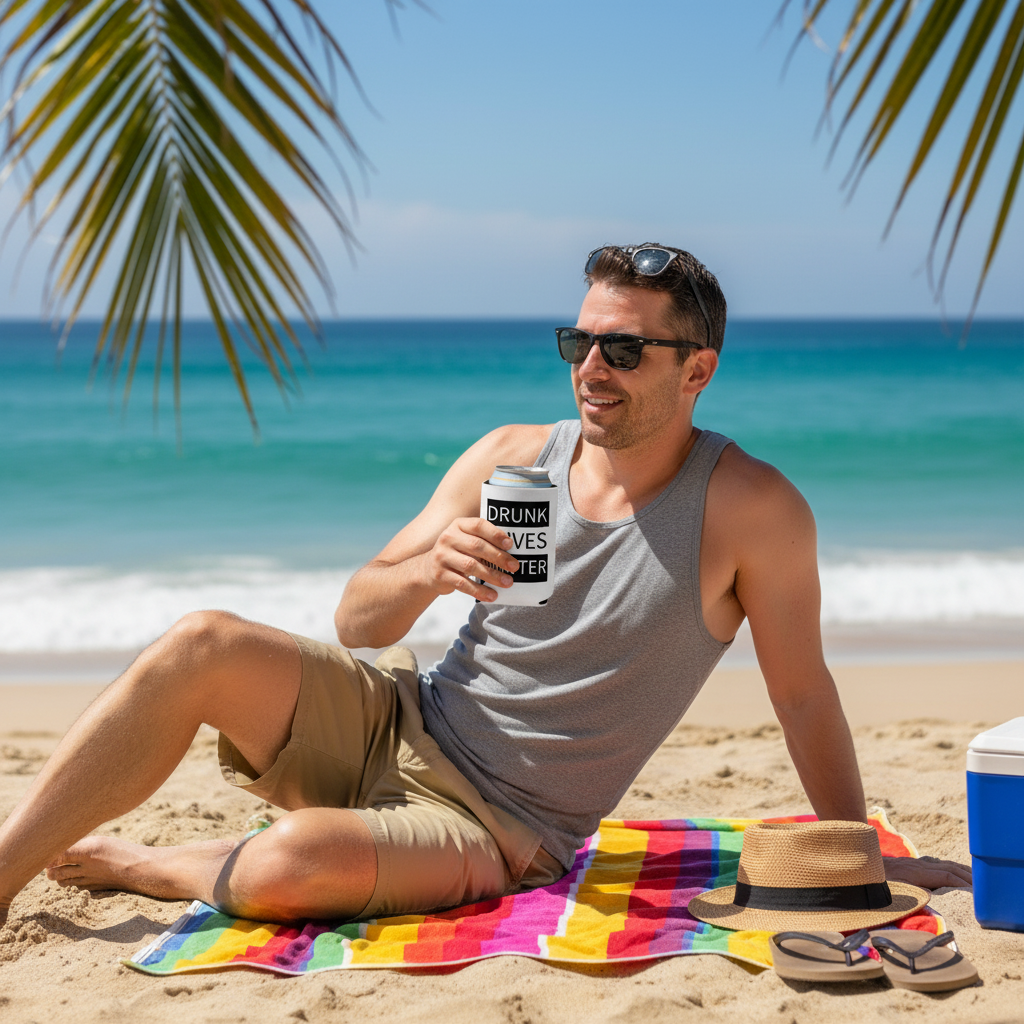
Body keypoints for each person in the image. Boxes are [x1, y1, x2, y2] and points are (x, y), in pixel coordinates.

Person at [0, 244, 971, 930]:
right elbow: (356, 616)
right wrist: (428, 572)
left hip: (502, 824)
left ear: (697, 370)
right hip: (398, 717)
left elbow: (800, 692)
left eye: (623, 349)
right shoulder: (511, 458)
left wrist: (857, 844)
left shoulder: (752, 510)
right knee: (200, 642)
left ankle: (159, 867)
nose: (592, 368)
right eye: (578, 341)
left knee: (292, 860)